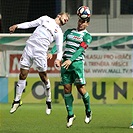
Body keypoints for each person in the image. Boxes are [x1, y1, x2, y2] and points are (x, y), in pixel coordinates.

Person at [9, 12, 70, 115]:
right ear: (59, 15)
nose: (67, 19)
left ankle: (48, 100)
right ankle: (17, 100)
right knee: (23, 74)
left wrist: (58, 59)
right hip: (29, 47)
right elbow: (30, 24)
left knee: (43, 76)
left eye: (68, 20)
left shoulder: (59, 32)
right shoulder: (45, 18)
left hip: (40, 52)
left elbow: (60, 49)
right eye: (66, 17)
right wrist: (17, 26)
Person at [48, 15, 92, 127]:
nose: (81, 23)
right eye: (80, 21)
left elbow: (80, 49)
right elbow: (59, 44)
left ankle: (88, 111)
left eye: (83, 22)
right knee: (67, 89)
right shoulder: (69, 32)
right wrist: (52, 52)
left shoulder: (87, 36)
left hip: (76, 64)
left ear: (87, 24)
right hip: (65, 63)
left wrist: (71, 60)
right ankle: (71, 115)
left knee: (80, 89)